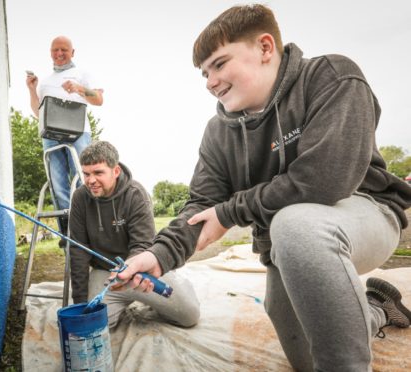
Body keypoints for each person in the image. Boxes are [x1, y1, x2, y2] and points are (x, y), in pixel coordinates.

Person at [115, 4, 411, 371]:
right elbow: (202, 206)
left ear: (265, 48)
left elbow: (323, 180)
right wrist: (159, 254)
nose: (209, 82)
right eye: (204, 73)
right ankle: (378, 311)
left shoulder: (332, 76)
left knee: (296, 225)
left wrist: (231, 212)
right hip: (286, 244)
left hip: (366, 213)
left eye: (220, 64)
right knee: (307, 354)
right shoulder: (217, 132)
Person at [68, 141, 200, 329]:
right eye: (86, 174)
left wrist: (128, 273)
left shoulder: (136, 194)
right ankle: (120, 303)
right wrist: (80, 303)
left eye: (98, 173)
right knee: (93, 326)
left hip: (140, 271)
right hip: (106, 274)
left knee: (189, 316)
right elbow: (78, 250)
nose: (90, 180)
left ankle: (179, 284)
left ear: (116, 171)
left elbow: (142, 245)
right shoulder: (80, 197)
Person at [26, 36, 104, 244]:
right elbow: (37, 112)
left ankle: (88, 228)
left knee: (82, 177)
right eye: (55, 50)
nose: (59, 54)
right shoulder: (45, 81)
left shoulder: (82, 73)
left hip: (78, 131)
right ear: (50, 52)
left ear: (72, 52)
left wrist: (79, 88)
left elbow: (99, 99)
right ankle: (68, 231)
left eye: (64, 50)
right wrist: (32, 89)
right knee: (57, 182)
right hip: (51, 133)